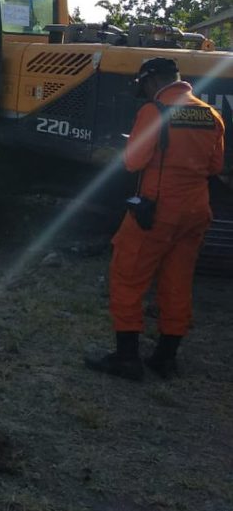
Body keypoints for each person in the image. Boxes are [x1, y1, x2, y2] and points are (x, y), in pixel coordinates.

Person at [85, 57, 224, 380]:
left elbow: (134, 162)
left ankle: (127, 357)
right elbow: (216, 166)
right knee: (177, 280)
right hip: (196, 210)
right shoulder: (209, 114)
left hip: (157, 210)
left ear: (151, 81)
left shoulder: (154, 112)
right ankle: (165, 357)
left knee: (128, 275)